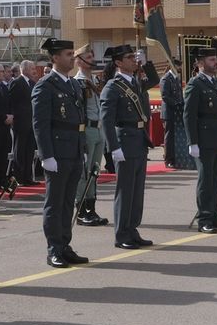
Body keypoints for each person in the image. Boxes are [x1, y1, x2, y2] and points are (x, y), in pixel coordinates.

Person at [32, 37, 88, 269]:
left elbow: (80, 121)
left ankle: (65, 245)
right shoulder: (45, 85)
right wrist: (47, 155)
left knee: (68, 202)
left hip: (73, 150)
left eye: (72, 54)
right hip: (57, 152)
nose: (72, 58)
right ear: (55, 58)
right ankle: (54, 248)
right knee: (54, 203)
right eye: (67, 54)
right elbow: (40, 123)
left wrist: (82, 149)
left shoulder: (74, 84)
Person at [99, 44, 159, 250]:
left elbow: (154, 80)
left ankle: (132, 229)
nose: (134, 60)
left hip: (139, 139)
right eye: (130, 57)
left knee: (137, 190)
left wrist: (147, 62)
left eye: (135, 56)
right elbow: (106, 121)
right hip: (124, 141)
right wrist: (113, 148)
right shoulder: (112, 87)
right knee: (125, 191)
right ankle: (121, 233)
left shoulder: (135, 82)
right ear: (118, 63)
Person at [183, 48, 217, 234]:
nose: (216, 62)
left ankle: (213, 213)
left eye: (216, 59)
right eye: (212, 60)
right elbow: (189, 116)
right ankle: (204, 218)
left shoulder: (214, 82)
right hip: (203, 139)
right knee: (205, 180)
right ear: (201, 63)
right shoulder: (195, 84)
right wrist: (192, 142)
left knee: (215, 179)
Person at [71, 44, 110, 228]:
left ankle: (91, 208)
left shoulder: (95, 80)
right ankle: (80, 211)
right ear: (78, 61)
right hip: (86, 130)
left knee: (94, 171)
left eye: (92, 55)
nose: (92, 59)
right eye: (88, 56)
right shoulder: (77, 82)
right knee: (83, 172)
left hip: (99, 129)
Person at [9, 60, 37, 184]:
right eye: (32, 68)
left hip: (31, 122)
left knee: (29, 150)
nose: (34, 71)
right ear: (24, 69)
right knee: (19, 150)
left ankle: (28, 177)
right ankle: (19, 177)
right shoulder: (17, 82)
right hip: (20, 122)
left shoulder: (32, 83)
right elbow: (11, 102)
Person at [159, 58, 186, 169]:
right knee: (169, 137)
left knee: (176, 136)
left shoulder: (175, 79)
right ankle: (168, 159)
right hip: (169, 113)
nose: (180, 68)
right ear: (172, 66)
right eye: (178, 66)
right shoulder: (166, 79)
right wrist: (177, 105)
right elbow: (165, 96)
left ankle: (176, 158)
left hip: (177, 112)